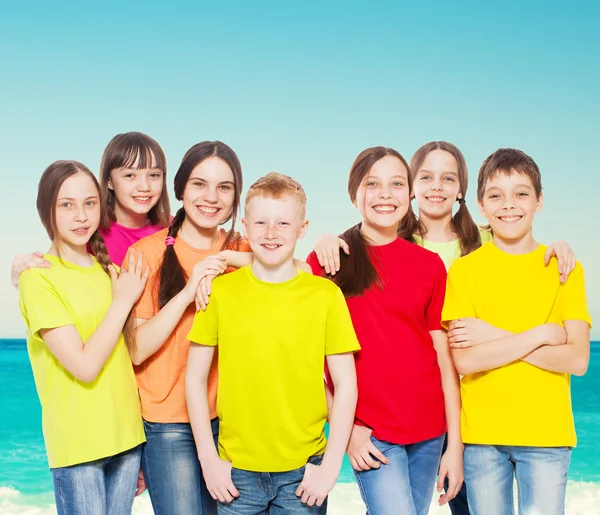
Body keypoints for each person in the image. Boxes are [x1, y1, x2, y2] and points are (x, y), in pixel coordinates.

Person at [312, 141, 577, 513]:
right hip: (407, 411)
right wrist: (325, 240)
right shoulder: (377, 245)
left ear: (463, 191)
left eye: (448, 178)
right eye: (426, 177)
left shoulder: (483, 242)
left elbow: (524, 242)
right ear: (414, 188)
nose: (436, 187)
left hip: (470, 407)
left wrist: (560, 247)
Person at [186, 172, 360, 514]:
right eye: (261, 222)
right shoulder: (221, 292)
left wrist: (329, 469)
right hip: (235, 472)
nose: (270, 233)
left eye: (283, 223)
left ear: (302, 228)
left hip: (304, 472)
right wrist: (209, 460)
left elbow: (346, 385)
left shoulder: (325, 296)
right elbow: (194, 379)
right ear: (245, 226)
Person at [307, 147, 462, 515]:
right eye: (372, 184)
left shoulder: (429, 265)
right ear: (353, 193)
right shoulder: (330, 260)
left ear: (409, 194)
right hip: (372, 432)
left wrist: (453, 446)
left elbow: (443, 359)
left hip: (429, 430)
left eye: (396, 184)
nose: (384, 195)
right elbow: (307, 363)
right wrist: (348, 431)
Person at [442, 148, 591, 515]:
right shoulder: (464, 272)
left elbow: (577, 359)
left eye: (522, 193)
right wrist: (542, 333)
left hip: (546, 435)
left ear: (539, 201)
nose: (509, 205)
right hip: (481, 438)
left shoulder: (564, 269)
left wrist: (491, 334)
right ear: (481, 205)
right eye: (496, 195)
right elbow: (464, 360)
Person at [125, 141, 254, 515]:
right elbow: (136, 350)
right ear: (180, 189)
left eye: (224, 187)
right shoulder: (146, 254)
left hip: (233, 420)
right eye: (199, 184)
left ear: (235, 197)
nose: (211, 197)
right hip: (169, 425)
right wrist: (187, 291)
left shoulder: (244, 249)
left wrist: (230, 257)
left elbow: (298, 270)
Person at [18, 160, 148, 514]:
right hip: (78, 444)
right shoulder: (38, 279)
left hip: (127, 439)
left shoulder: (113, 271)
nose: (81, 216)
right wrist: (122, 302)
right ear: (47, 210)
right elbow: (84, 366)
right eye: (67, 204)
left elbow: (134, 352)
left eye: (90, 203)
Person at [11, 131, 171, 282]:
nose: (144, 186)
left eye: (154, 175)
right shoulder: (87, 230)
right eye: (130, 175)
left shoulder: (176, 228)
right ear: (109, 181)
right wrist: (20, 274)